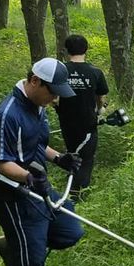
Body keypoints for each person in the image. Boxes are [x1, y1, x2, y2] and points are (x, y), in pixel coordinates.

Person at [0, 57, 84, 266]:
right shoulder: (8, 114)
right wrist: (28, 177)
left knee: (70, 229)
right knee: (32, 261)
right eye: (52, 92)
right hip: (15, 195)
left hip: (37, 190)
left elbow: (37, 144)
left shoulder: (37, 106)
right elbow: (3, 163)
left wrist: (60, 158)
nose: (55, 99)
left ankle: (14, 245)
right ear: (34, 81)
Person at [55, 34, 110, 197]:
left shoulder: (61, 70)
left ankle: (72, 183)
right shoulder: (95, 72)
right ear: (86, 49)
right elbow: (101, 97)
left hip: (66, 121)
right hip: (88, 123)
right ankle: (78, 192)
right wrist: (100, 110)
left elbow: (54, 98)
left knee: (72, 151)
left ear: (66, 50)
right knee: (86, 158)